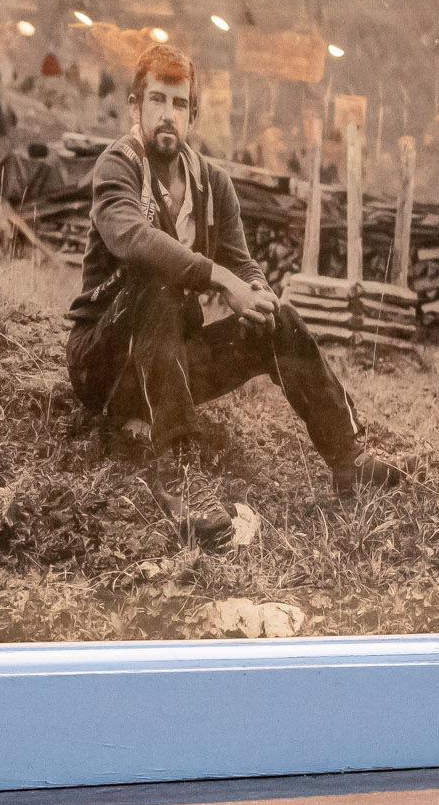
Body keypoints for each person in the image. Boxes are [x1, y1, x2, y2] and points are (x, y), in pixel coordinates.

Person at [66, 41, 404, 497]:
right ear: (135, 106)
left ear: (193, 115)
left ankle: (348, 457)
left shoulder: (212, 183)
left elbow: (241, 261)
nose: (168, 114)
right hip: (106, 364)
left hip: (169, 363)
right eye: (157, 100)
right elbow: (133, 239)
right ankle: (179, 475)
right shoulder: (119, 166)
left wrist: (256, 294)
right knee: (157, 277)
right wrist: (220, 280)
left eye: (180, 103)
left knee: (276, 315)